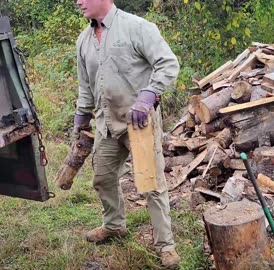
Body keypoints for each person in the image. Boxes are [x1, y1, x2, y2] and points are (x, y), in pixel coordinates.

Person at [73, 0, 180, 268]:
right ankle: (114, 226)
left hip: (139, 123)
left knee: (150, 184)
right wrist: (80, 118)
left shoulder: (136, 27)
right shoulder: (84, 40)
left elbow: (168, 64)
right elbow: (86, 85)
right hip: (106, 123)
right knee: (103, 177)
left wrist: (148, 95)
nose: (78, 2)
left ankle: (165, 245)